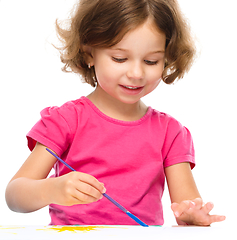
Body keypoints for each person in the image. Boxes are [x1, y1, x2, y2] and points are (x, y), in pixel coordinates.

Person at [5, 0, 226, 226]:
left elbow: (185, 206)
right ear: (89, 52)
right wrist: (52, 189)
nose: (137, 73)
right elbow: (14, 196)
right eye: (119, 58)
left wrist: (191, 216)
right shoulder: (65, 121)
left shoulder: (171, 133)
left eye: (151, 61)